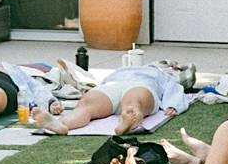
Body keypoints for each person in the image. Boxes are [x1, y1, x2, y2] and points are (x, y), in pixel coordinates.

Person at [51, 58, 184, 136]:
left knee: (133, 103)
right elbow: (175, 89)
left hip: (137, 85)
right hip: (114, 86)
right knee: (88, 102)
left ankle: (126, 122)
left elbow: (175, 89)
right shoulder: (127, 69)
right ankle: (61, 124)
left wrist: (172, 105)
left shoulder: (161, 74)